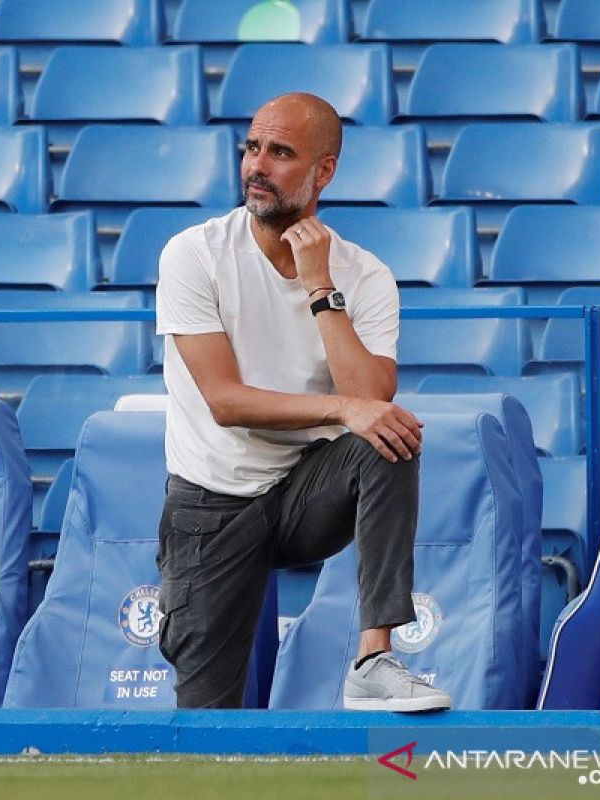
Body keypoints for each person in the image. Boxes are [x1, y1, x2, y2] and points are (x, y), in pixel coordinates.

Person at [154, 92, 452, 712]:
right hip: (211, 505)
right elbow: (226, 401)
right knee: (206, 726)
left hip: (303, 493)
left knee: (390, 439)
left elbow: (371, 399)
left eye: (281, 152)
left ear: (324, 171)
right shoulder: (193, 254)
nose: (257, 165)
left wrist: (320, 285)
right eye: (252, 147)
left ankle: (374, 658)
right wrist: (341, 410)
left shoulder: (363, 274)